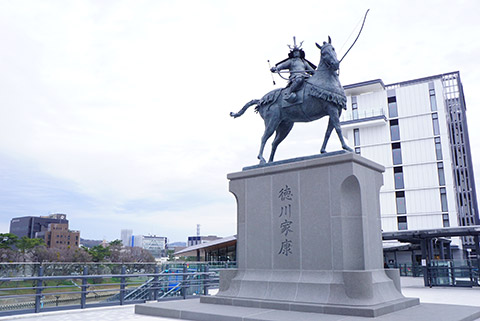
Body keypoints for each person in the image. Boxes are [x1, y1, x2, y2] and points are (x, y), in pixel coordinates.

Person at [270, 38, 316, 102]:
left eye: (297, 52)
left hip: (305, 76)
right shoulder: (291, 61)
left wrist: (318, 73)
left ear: (300, 53)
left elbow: (311, 70)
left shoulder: (304, 62)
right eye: (295, 52)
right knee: (299, 79)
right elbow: (282, 65)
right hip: (295, 77)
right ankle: (288, 93)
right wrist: (276, 68)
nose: (296, 53)